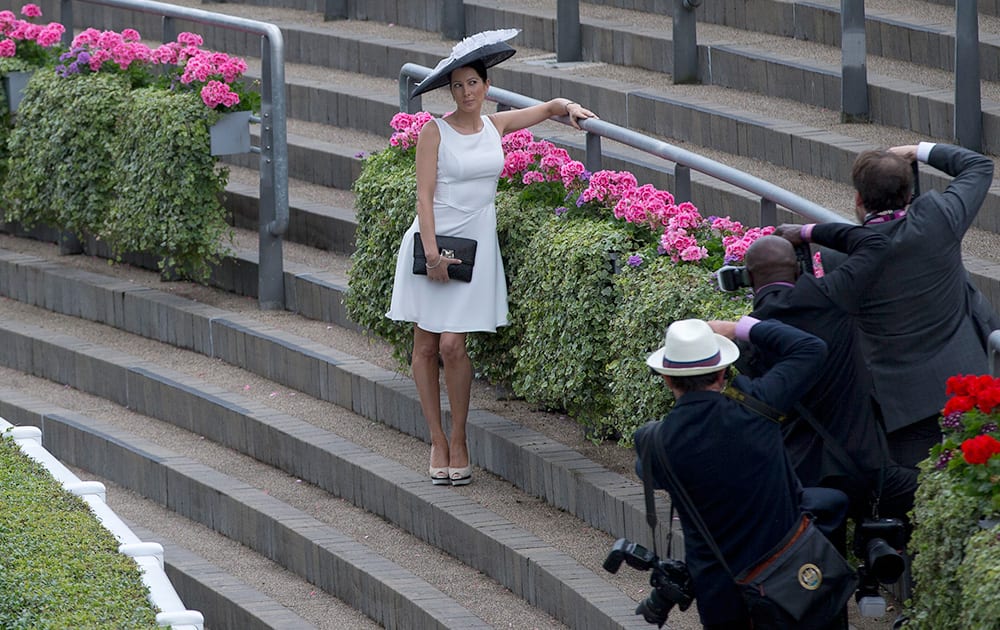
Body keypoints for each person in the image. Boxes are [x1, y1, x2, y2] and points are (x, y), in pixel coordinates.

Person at [386, 29, 597, 486]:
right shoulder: (432, 131)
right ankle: (437, 440)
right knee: (425, 346)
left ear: (485, 86)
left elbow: (545, 110)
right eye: (457, 86)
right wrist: (432, 255)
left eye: (473, 84)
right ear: (451, 90)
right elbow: (422, 198)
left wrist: (567, 107)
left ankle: (459, 438)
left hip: (477, 246)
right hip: (434, 243)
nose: (466, 92)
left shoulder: (494, 126)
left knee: (452, 345)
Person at [634, 317, 848, 630]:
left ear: (667, 379)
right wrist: (737, 328)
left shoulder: (656, 444)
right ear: (722, 373)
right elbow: (809, 348)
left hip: (722, 598)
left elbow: (647, 471)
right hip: (789, 581)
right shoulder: (756, 407)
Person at [813, 142, 997, 469]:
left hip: (901, 407)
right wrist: (918, 150)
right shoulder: (937, 219)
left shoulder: (838, 259)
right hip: (968, 386)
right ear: (909, 193)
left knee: (917, 494)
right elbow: (978, 167)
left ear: (858, 199)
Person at [741, 227, 917, 525]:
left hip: (801, 484)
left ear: (748, 278)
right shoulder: (831, 296)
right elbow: (873, 241)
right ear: (797, 268)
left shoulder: (746, 342)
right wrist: (807, 232)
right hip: (867, 471)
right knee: (931, 496)